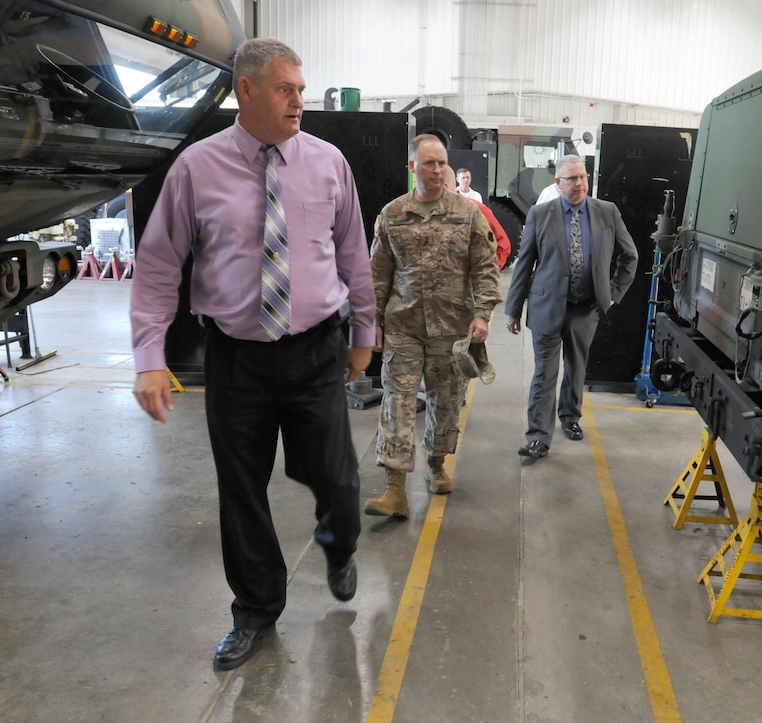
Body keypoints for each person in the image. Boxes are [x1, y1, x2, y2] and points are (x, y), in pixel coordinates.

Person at [130, 38, 376, 672]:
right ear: (246, 90)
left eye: (301, 88)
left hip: (317, 347)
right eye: (285, 89)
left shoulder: (328, 163)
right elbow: (159, 264)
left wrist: (365, 334)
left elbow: (354, 256)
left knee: (338, 477)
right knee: (240, 487)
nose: (300, 101)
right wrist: (149, 355)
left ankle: (339, 543)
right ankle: (255, 609)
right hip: (236, 357)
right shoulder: (195, 168)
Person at [365, 134, 501, 516]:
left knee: (446, 404)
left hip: (452, 328)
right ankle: (395, 487)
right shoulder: (392, 215)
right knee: (397, 402)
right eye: (429, 163)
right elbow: (377, 274)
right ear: (413, 167)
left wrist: (482, 313)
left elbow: (485, 267)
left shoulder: (468, 213)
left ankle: (436, 463)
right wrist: (371, 322)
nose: (438, 170)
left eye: (442, 163)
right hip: (403, 326)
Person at [505, 155, 638, 461]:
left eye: (583, 177)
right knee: (545, 373)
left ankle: (570, 417)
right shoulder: (540, 214)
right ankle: (538, 437)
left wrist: (613, 293)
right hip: (546, 305)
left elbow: (629, 256)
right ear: (558, 183)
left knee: (576, 368)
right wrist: (513, 308)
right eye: (572, 179)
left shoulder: (607, 212)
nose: (579, 184)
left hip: (585, 309)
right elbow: (525, 264)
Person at [443, 166, 511, 269]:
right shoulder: (421, 212)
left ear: (443, 186)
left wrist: (487, 275)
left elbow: (503, 245)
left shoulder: (477, 209)